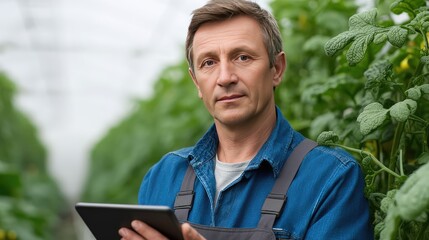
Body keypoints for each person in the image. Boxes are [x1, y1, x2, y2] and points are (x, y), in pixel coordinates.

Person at [119, 0, 373, 239]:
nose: (225, 77)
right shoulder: (163, 177)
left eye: (242, 57)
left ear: (277, 69)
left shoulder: (329, 178)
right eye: (209, 62)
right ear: (196, 81)